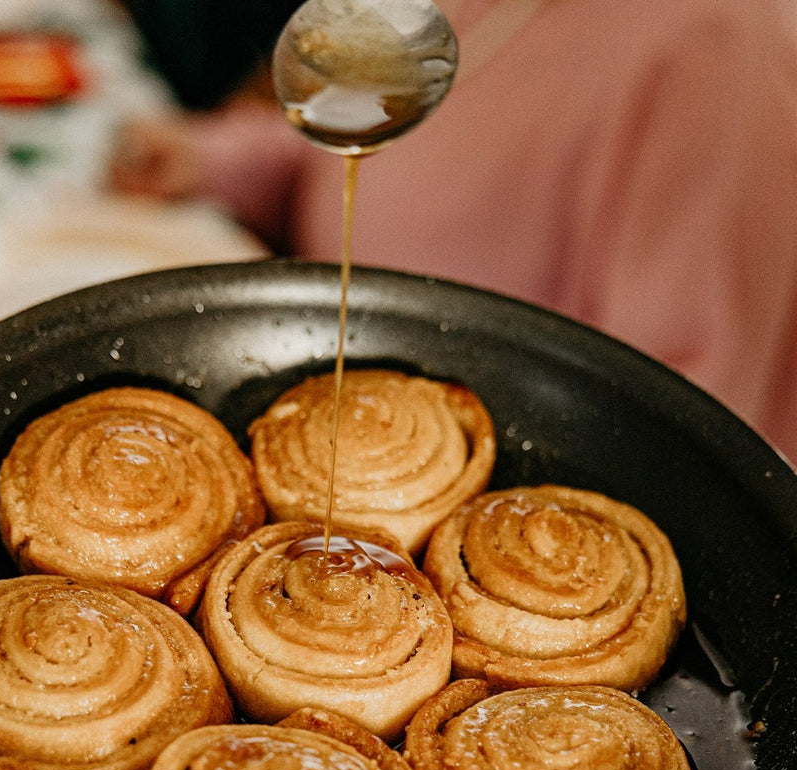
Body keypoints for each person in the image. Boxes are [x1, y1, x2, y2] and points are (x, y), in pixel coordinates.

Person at [110, 0, 797, 464]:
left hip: (485, 482)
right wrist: (222, 161)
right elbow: (389, 142)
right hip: (325, 399)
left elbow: (686, 424)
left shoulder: (720, 46)